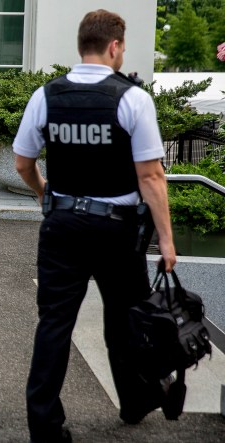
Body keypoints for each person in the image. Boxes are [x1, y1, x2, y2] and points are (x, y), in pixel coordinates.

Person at [13, 9, 177, 443]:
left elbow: (22, 162)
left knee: (54, 323)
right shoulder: (133, 99)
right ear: (115, 46)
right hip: (117, 231)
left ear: (81, 45)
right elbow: (151, 176)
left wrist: (44, 193)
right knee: (126, 319)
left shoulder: (46, 95)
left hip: (63, 224)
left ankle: (44, 424)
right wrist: (166, 238)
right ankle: (135, 401)